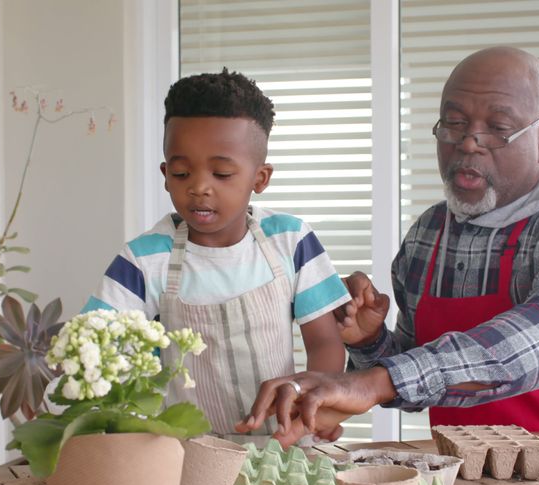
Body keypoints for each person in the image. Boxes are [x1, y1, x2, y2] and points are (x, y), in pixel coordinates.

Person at [237, 46, 539, 445]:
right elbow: (419, 378)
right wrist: (369, 341)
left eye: (498, 129)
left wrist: (373, 382)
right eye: (453, 123)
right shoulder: (429, 234)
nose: (469, 143)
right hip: (466, 475)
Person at [84, 69, 351, 441]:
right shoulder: (143, 260)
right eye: (181, 173)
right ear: (165, 173)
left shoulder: (291, 241)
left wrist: (313, 400)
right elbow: (94, 346)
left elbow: (324, 344)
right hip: (185, 458)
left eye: (222, 173)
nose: (198, 188)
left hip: (284, 446)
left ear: (260, 178)